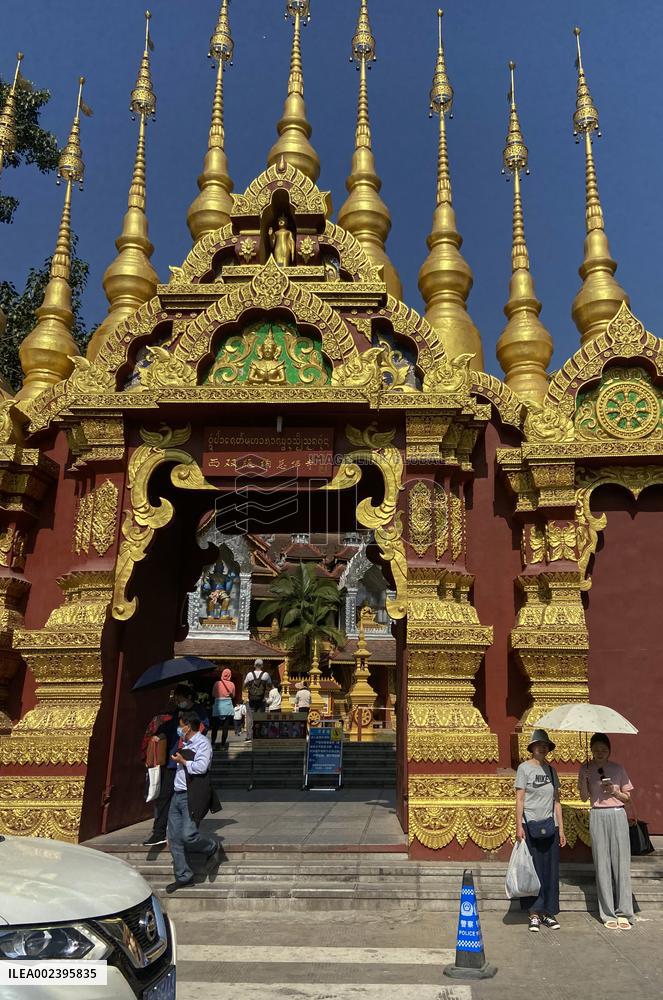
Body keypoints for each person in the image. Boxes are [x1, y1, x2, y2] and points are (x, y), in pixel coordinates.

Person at [578, 733, 634, 930]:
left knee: (621, 864)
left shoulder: (618, 769)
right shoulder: (585, 769)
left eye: (604, 750)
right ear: (591, 750)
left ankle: (624, 912)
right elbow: (585, 798)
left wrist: (614, 791)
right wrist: (585, 781)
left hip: (617, 814)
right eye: (596, 749)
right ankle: (608, 912)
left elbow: (627, 798)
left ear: (609, 751)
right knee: (602, 864)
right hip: (597, 815)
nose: (600, 753)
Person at [143, 682, 210, 848]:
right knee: (164, 797)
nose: (177, 701)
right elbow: (169, 726)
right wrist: (159, 735)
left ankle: (190, 832)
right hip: (173, 761)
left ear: (188, 697)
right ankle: (159, 832)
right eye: (176, 699)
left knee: (191, 800)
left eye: (179, 698)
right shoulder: (177, 713)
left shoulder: (199, 712)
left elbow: (203, 728)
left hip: (189, 762)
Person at [515, 729, 566, 933]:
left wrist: (561, 829)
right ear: (532, 748)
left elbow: (557, 802)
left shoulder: (552, 771)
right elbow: (519, 798)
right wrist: (518, 825)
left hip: (550, 825)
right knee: (533, 870)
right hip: (530, 824)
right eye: (539, 745)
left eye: (545, 745)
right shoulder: (524, 769)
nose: (542, 748)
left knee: (550, 871)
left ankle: (548, 911)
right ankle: (534, 913)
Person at [166, 709, 220, 893]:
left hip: (192, 795)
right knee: (174, 838)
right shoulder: (185, 742)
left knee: (188, 835)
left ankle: (211, 846)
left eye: (181, 726)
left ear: (188, 727)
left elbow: (202, 767)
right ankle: (184, 876)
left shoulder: (202, 743)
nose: (179, 729)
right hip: (177, 793)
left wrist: (184, 762)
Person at [243, 659, 272, 742]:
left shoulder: (249, 675)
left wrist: (249, 687)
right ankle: (259, 735)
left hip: (251, 699)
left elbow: (244, 685)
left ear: (254, 665)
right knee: (260, 718)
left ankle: (249, 737)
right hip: (261, 700)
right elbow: (269, 685)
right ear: (262, 665)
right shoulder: (265, 675)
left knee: (249, 718)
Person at [211, 668, 235, 746]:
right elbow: (233, 696)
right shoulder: (232, 684)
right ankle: (223, 745)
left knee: (215, 727)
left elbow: (213, 695)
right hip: (227, 706)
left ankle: (213, 743)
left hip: (218, 706)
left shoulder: (217, 683)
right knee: (225, 727)